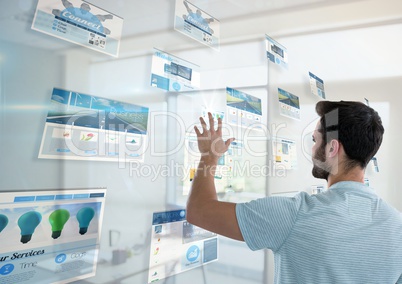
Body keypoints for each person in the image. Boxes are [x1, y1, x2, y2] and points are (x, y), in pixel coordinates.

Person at [187, 101, 402, 283]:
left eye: (315, 140)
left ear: (332, 148)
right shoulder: (397, 224)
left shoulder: (296, 215)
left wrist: (209, 155)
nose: (312, 148)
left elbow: (199, 211)